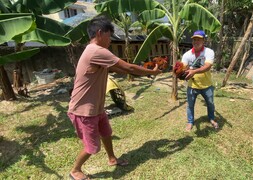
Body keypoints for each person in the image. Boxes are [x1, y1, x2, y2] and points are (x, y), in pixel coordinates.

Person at [67, 15, 161, 180]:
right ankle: (75, 170)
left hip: (96, 107)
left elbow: (120, 69)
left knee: (106, 133)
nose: (110, 40)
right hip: (84, 110)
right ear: (99, 33)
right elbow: (128, 67)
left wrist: (141, 73)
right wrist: (150, 72)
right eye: (109, 36)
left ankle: (112, 159)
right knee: (92, 148)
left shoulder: (96, 52)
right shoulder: (96, 51)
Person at [181, 30, 218, 132]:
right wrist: (180, 71)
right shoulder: (187, 55)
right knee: (190, 105)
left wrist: (193, 71)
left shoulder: (209, 52)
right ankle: (190, 122)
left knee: (210, 103)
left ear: (203, 41)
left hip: (207, 85)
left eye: (198, 39)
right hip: (192, 85)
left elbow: (207, 66)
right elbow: (183, 68)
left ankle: (211, 118)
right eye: (194, 39)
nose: (195, 41)